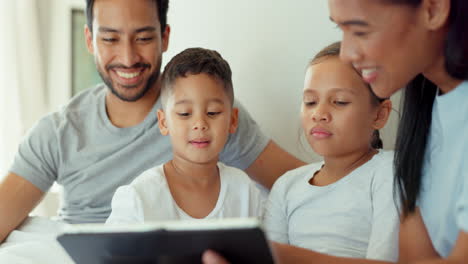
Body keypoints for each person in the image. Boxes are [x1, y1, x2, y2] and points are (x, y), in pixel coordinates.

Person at [0, 0, 304, 243]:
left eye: (144, 38)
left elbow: (307, 185)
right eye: (110, 38)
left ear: (165, 37)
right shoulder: (58, 132)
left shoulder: (212, 115)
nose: (128, 57)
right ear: (90, 40)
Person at [202, 0, 468, 263]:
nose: (348, 54)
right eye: (341, 30)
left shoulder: (387, 169)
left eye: (360, 31)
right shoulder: (428, 113)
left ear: (433, 9)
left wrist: (278, 256)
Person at [263, 41, 397, 261]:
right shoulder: (286, 186)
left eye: (339, 101)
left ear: (380, 114)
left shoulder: (389, 171)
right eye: (310, 101)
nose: (319, 113)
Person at [106, 48, 266, 223]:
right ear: (163, 122)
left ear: (233, 120)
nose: (200, 124)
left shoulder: (245, 191)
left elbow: (261, 248)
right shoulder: (138, 198)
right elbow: (110, 250)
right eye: (184, 113)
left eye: (212, 112)